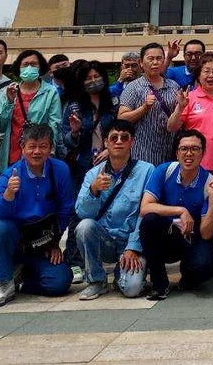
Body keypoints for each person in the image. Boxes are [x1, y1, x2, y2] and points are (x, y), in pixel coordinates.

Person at [0, 123, 75, 307]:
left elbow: (66, 210)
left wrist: (54, 242)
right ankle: (3, 281)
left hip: (43, 240)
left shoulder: (60, 170)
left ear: (51, 148)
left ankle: (24, 278)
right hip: (16, 239)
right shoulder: (10, 174)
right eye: (32, 146)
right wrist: (9, 194)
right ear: (22, 147)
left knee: (60, 283)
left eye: (43, 146)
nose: (36, 152)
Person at [140, 130, 213, 298]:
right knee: (149, 221)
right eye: (184, 149)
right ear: (177, 152)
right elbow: (144, 208)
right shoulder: (164, 170)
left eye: (195, 149)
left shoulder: (210, 183)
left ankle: (189, 274)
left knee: (202, 269)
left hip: (193, 237)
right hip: (167, 233)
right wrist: (181, 210)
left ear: (203, 153)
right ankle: (159, 284)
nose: (189, 154)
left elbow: (206, 233)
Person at [73, 119, 151, 300]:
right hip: (105, 239)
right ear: (106, 143)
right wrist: (93, 191)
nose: (119, 141)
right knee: (84, 226)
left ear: (132, 142)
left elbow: (145, 214)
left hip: (131, 240)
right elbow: (82, 213)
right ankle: (96, 281)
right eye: (114, 137)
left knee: (131, 290)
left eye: (125, 137)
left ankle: (122, 276)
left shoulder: (147, 170)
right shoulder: (94, 174)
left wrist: (133, 247)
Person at [60, 59, 119, 282]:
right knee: (79, 211)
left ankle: (103, 255)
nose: (94, 81)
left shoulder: (112, 101)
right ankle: (74, 261)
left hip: (108, 163)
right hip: (82, 165)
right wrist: (76, 131)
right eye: (88, 78)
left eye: (97, 77)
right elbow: (66, 140)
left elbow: (118, 130)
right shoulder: (73, 105)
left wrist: (108, 149)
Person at [167, 53, 213, 174]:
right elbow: (171, 127)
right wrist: (180, 107)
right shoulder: (189, 97)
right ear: (198, 75)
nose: (211, 75)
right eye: (206, 71)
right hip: (193, 161)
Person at [0, 49, 62, 172]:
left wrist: (51, 150)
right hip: (12, 151)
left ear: (40, 67)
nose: (29, 67)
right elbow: (0, 124)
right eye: (25, 64)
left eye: (34, 64)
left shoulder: (50, 92)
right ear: (19, 68)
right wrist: (9, 102)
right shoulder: (9, 91)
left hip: (38, 152)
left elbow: (54, 124)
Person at [118, 42, 182, 166]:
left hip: (170, 153)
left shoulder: (174, 86)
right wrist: (144, 108)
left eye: (159, 58)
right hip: (142, 154)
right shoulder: (134, 87)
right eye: (150, 58)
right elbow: (121, 118)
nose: (155, 62)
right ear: (141, 63)